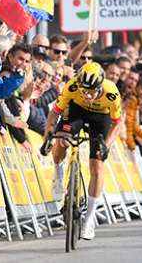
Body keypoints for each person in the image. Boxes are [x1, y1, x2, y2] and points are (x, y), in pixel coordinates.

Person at [43, 62, 122, 241]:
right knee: (61, 137)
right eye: (83, 90)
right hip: (77, 112)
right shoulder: (71, 86)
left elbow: (118, 123)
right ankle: (58, 171)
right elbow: (54, 114)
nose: (87, 95)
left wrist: (106, 145)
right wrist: (48, 135)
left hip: (101, 118)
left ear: (100, 86)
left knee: (97, 165)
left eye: (91, 91)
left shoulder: (111, 92)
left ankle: (89, 219)